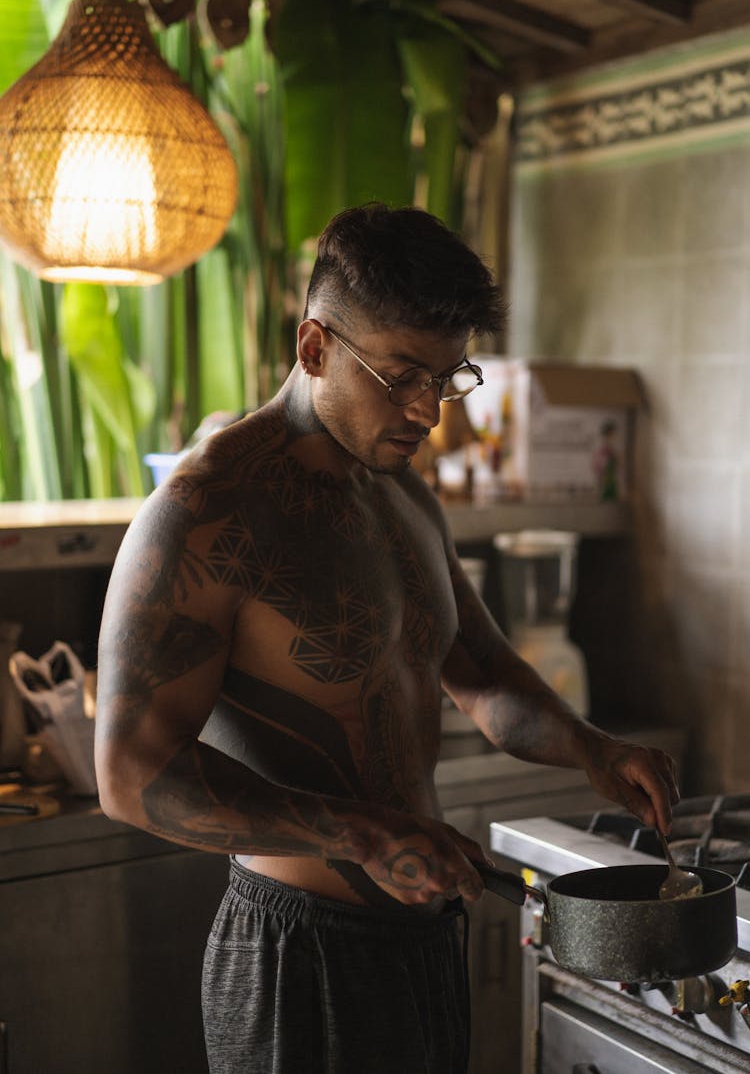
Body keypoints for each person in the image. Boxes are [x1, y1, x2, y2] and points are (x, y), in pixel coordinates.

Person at [95, 203, 679, 1074]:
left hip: (421, 942)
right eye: (402, 374)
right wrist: (365, 836)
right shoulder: (204, 513)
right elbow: (130, 775)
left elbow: (481, 673)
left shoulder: (403, 493)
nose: (426, 411)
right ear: (315, 347)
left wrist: (589, 748)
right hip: (297, 957)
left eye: (447, 378)